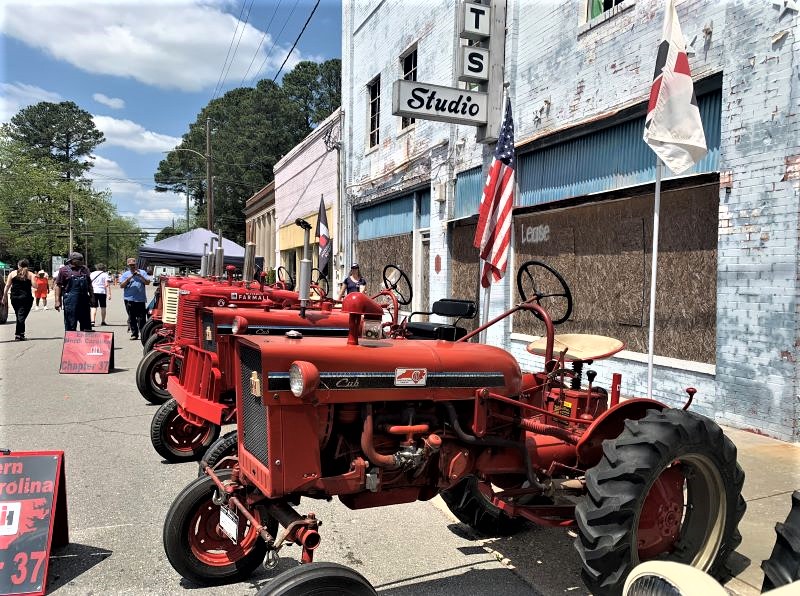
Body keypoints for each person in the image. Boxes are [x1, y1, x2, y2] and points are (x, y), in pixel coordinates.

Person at [54, 252, 93, 332]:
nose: (82, 261)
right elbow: (58, 286)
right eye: (80, 260)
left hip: (84, 300)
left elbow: (89, 285)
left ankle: (85, 343)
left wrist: (92, 297)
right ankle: (71, 343)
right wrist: (57, 301)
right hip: (70, 301)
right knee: (70, 323)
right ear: (72, 260)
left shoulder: (85, 269)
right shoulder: (63, 270)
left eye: (82, 259)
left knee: (86, 324)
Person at [2, 259, 36, 340]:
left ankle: (21, 334)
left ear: (18, 265)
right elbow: (35, 286)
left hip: (14, 297)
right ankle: (18, 334)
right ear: (27, 265)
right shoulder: (30, 274)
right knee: (21, 316)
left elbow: (7, 286)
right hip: (26, 298)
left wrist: (4, 296)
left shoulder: (12, 273)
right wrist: (34, 278)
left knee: (19, 315)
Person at [119, 257, 150, 340]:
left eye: (134, 265)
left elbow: (147, 282)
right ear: (128, 265)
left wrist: (140, 276)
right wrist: (130, 277)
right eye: (131, 265)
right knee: (131, 317)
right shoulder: (125, 274)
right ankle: (134, 334)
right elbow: (121, 286)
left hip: (140, 299)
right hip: (129, 299)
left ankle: (143, 334)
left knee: (141, 318)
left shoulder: (142, 272)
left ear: (136, 264)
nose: (132, 266)